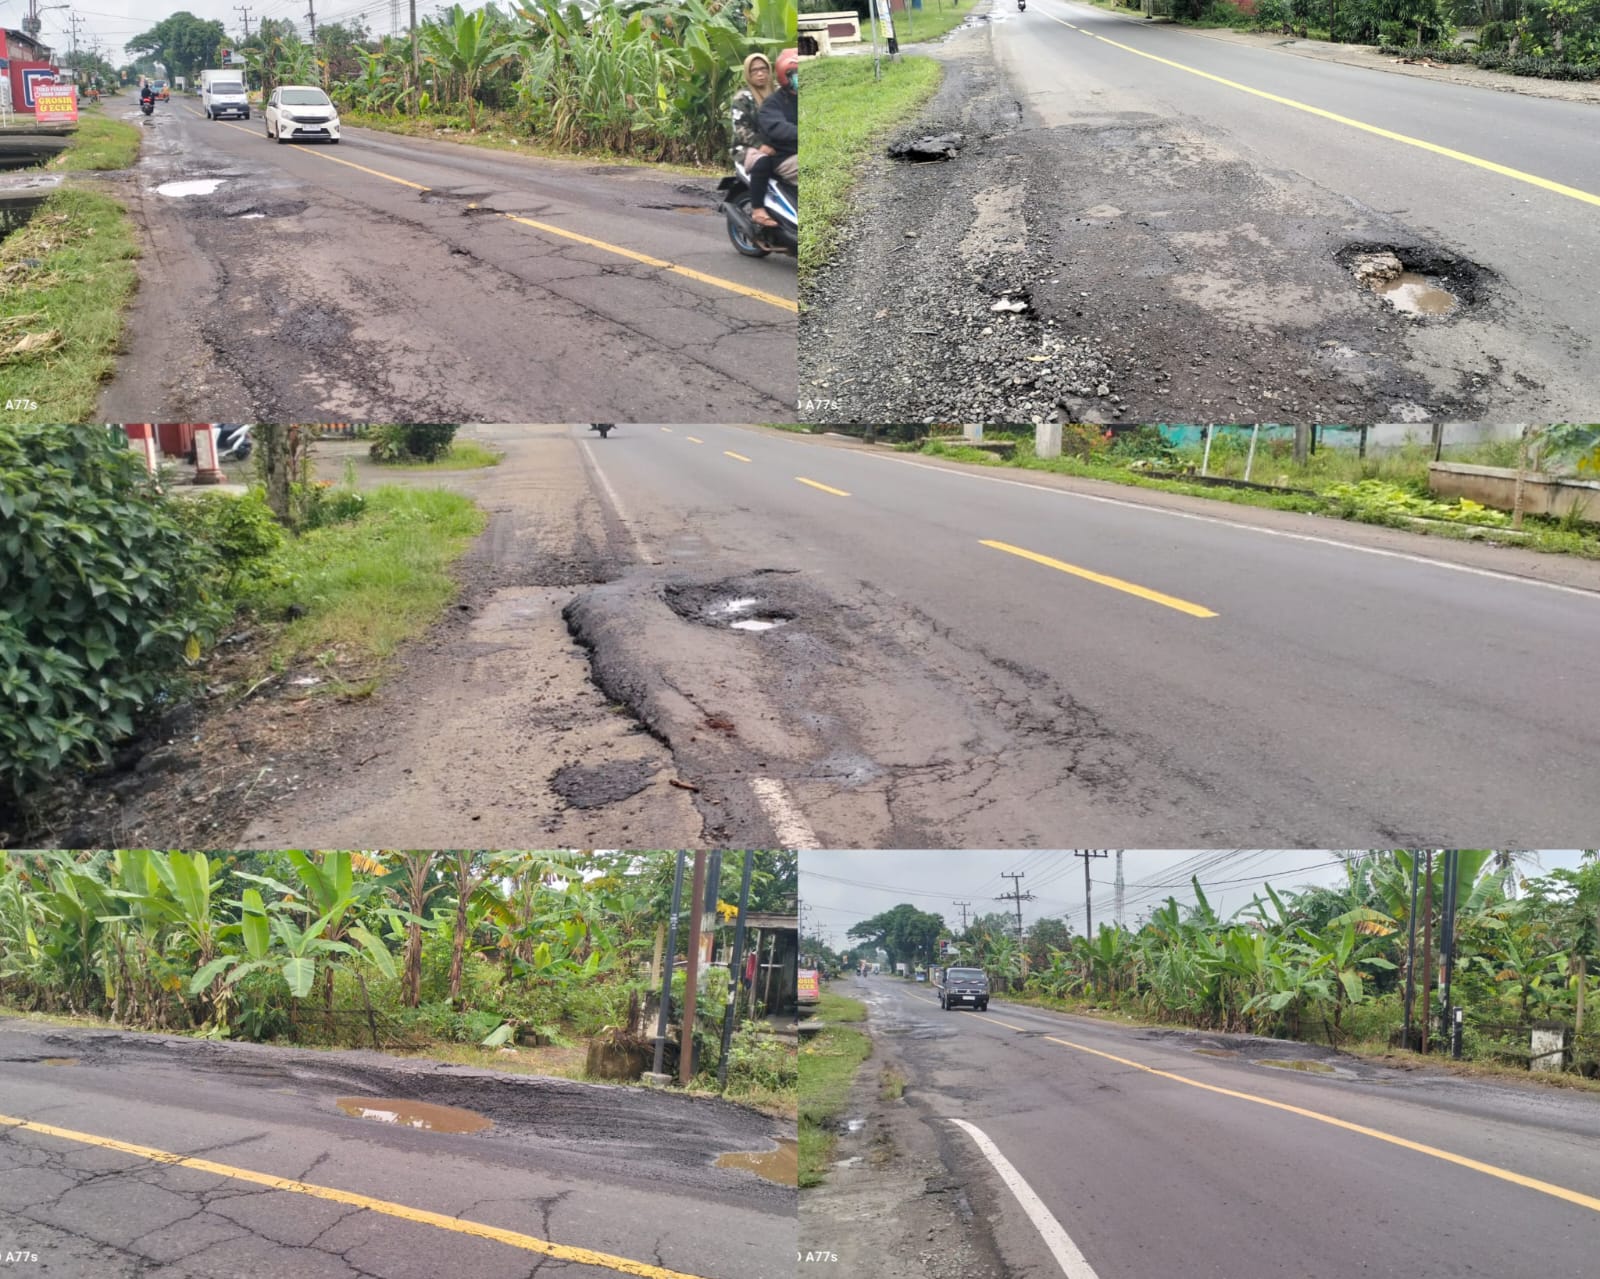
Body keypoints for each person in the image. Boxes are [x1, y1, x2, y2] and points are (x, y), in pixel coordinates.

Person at [751, 48, 797, 228]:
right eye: (795, 74)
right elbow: (778, 128)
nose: (760, 74)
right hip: (781, 155)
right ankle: (758, 209)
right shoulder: (772, 103)